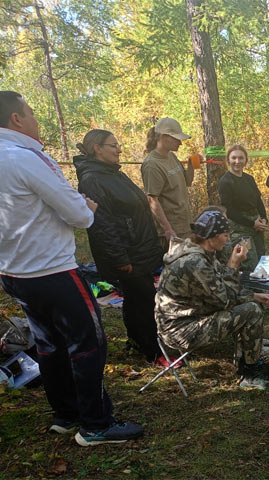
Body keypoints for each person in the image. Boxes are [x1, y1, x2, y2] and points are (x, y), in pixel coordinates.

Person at [0, 91, 143, 446]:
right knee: (87, 343)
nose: (35, 119)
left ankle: (66, 414)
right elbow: (80, 215)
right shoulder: (25, 158)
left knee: (49, 344)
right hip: (51, 269)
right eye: (31, 112)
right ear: (16, 119)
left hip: (14, 272)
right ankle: (96, 423)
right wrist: (87, 204)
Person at [155, 209, 269, 389]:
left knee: (251, 304)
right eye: (225, 235)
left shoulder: (201, 252)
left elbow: (220, 284)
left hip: (191, 317)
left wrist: (253, 295)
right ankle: (249, 373)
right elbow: (224, 300)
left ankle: (250, 363)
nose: (229, 240)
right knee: (251, 310)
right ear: (210, 237)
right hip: (180, 329)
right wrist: (234, 263)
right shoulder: (194, 261)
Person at [73, 129, 168, 365]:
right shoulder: (92, 180)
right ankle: (153, 351)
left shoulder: (113, 173)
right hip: (128, 253)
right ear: (97, 148)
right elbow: (101, 225)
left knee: (138, 299)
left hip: (140, 247)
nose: (119, 149)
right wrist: (120, 258)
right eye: (113, 145)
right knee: (145, 301)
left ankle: (137, 342)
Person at [141, 117, 195, 250]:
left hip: (185, 224)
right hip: (173, 230)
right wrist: (168, 230)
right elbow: (152, 200)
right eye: (176, 139)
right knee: (178, 267)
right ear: (163, 137)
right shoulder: (152, 165)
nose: (180, 143)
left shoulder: (171, 156)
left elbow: (187, 182)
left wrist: (191, 165)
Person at [218, 144, 268, 270]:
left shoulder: (249, 179)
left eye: (241, 158)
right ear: (228, 160)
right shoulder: (225, 181)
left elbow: (258, 201)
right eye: (234, 158)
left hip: (257, 226)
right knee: (249, 263)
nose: (237, 161)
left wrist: (264, 219)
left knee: (262, 261)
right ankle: (247, 290)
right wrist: (251, 223)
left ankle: (261, 290)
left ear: (246, 159)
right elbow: (229, 210)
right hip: (240, 229)